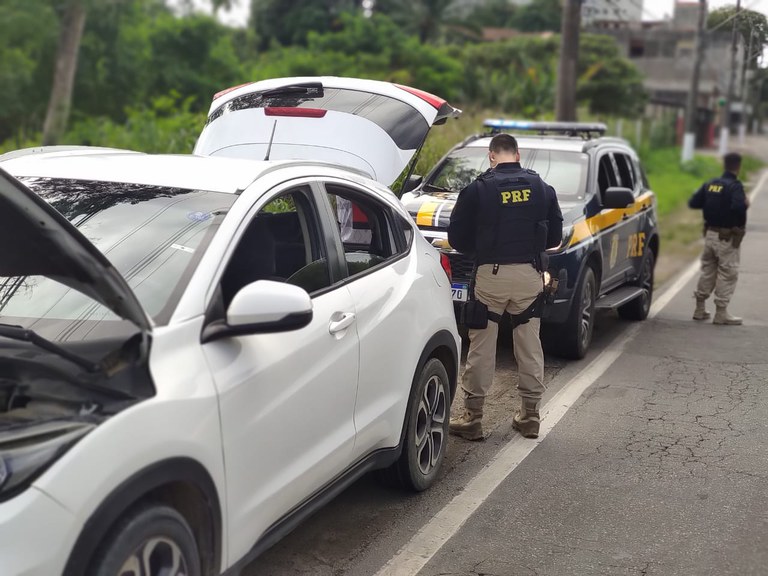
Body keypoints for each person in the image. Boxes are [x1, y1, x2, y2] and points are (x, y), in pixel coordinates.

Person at [447, 134, 563, 440]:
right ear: (518, 154)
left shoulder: (478, 189)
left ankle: (473, 418)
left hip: (491, 275)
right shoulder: (541, 187)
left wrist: (481, 250)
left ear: (491, 156)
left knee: (482, 345)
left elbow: (457, 239)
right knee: (529, 343)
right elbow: (554, 238)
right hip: (529, 275)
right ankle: (530, 416)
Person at [689, 152, 749, 325]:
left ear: (724, 165)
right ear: (738, 166)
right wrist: (743, 206)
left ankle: (699, 309)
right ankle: (721, 313)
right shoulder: (735, 186)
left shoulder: (711, 184)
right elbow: (738, 207)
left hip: (710, 234)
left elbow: (694, 203)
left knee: (708, 270)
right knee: (727, 273)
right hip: (727, 237)